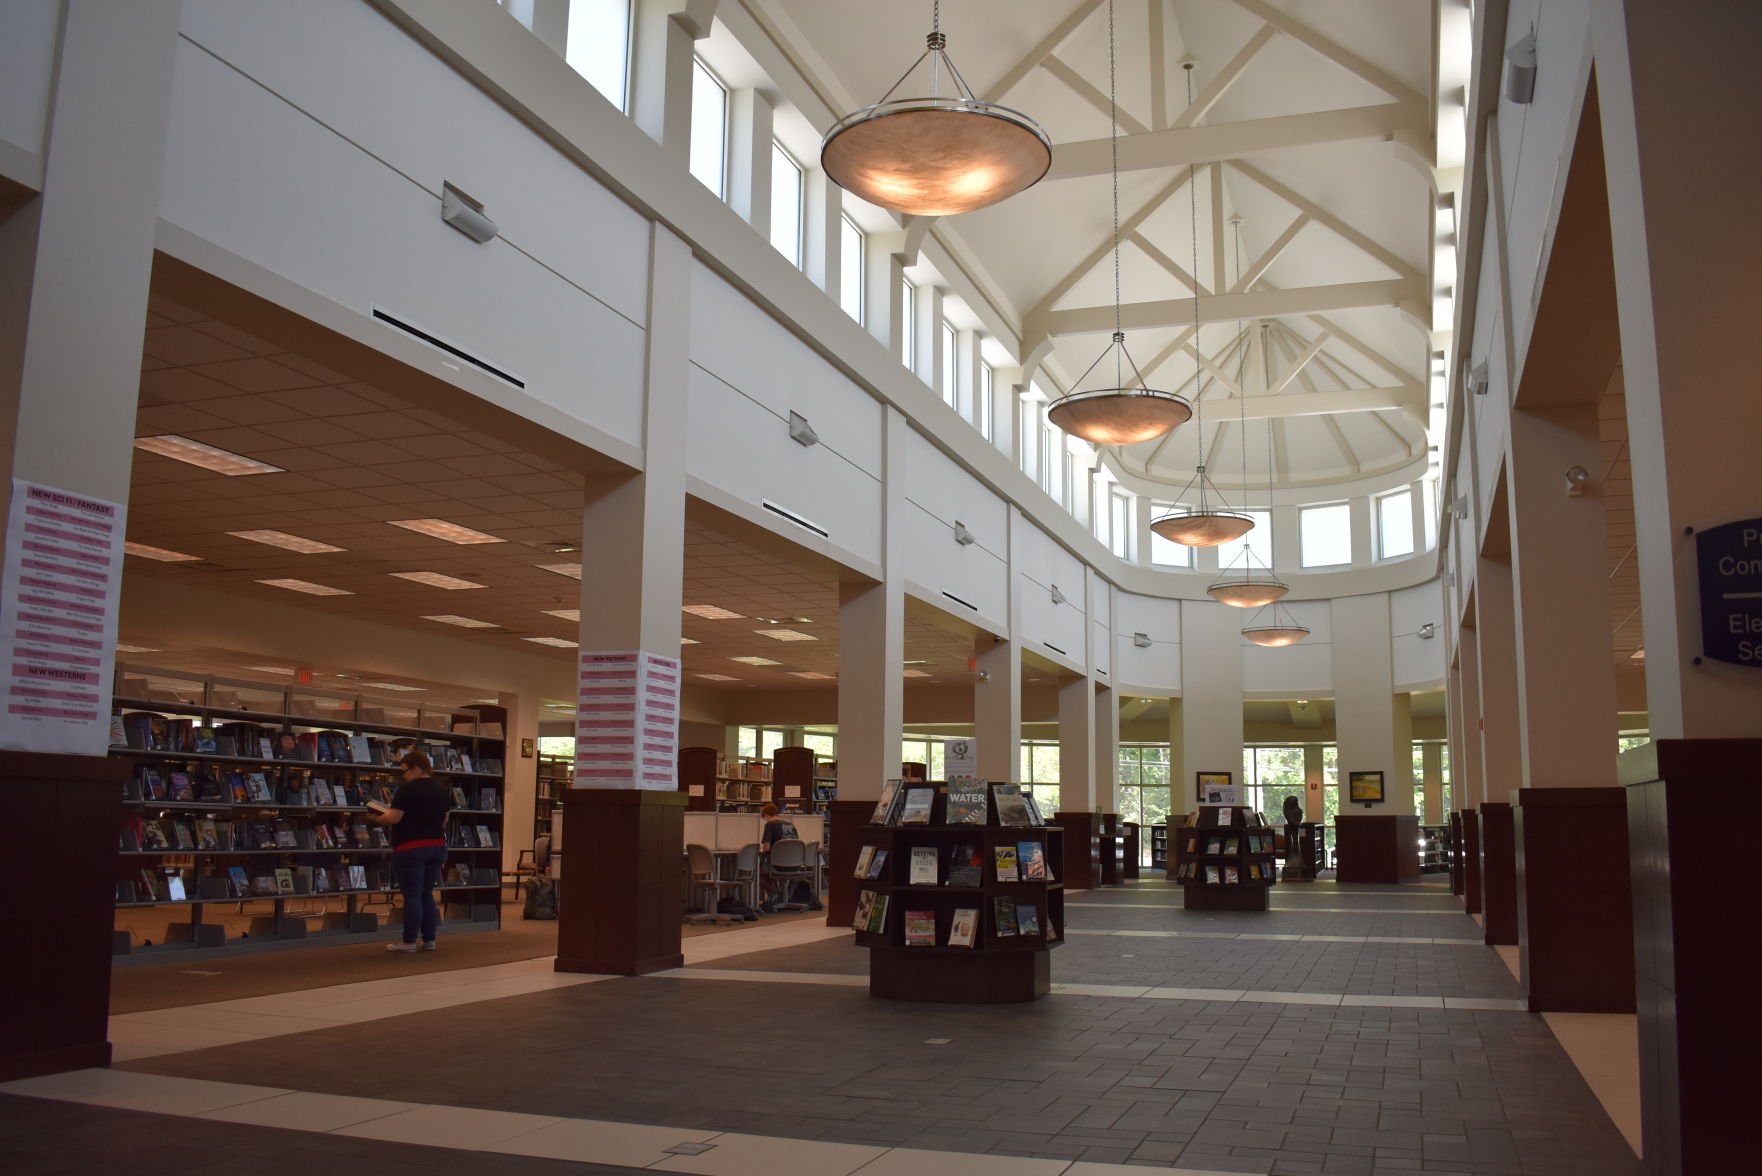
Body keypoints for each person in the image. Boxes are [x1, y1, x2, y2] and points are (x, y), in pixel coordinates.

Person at [370, 750, 451, 952]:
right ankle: (430, 939)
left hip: (411, 847)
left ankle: (408, 941)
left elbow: (394, 818)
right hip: (436, 845)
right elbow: (445, 819)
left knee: (412, 895)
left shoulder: (407, 790)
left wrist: (375, 819)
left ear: (415, 768)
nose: (403, 776)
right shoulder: (441, 789)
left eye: (404, 771)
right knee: (426, 893)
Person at [757, 803, 799, 914]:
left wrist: (760, 849)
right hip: (795, 865)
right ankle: (778, 896)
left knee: (757, 873)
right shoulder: (791, 825)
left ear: (765, 815)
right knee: (766, 870)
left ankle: (774, 892)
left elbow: (766, 848)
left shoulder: (770, 825)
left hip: (778, 866)